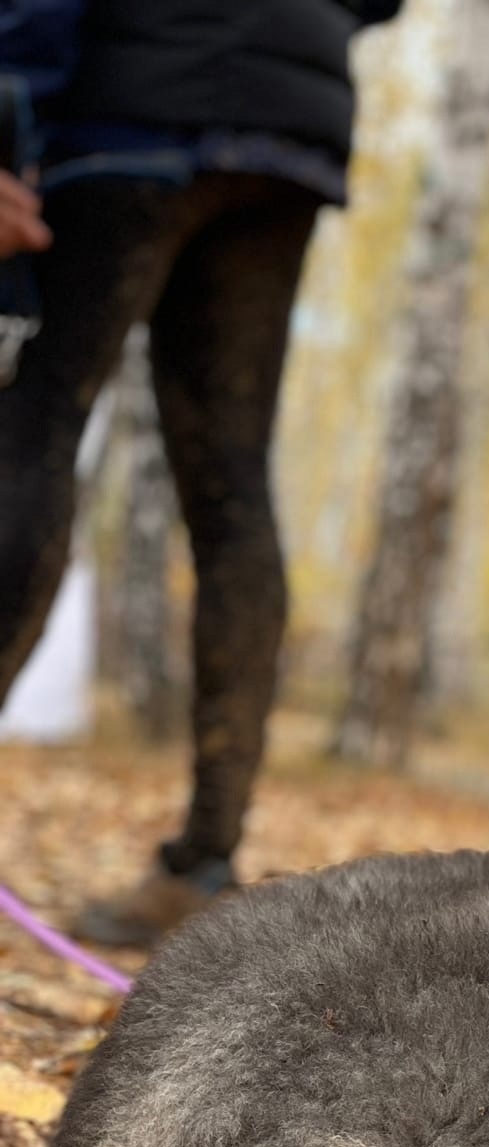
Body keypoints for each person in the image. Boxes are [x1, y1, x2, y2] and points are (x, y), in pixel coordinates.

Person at [0, 0, 403, 946]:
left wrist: (8, 98)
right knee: (231, 483)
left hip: (123, 104)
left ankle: (204, 865)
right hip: (287, 124)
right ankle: (207, 858)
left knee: (34, 432)